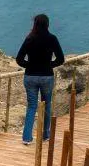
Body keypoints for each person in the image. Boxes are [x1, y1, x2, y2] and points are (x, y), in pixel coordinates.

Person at [15, 14, 65, 144]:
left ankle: (26, 138)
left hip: (30, 76)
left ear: (35, 24)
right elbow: (61, 59)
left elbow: (19, 59)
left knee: (31, 106)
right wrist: (49, 65)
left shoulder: (29, 39)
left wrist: (30, 66)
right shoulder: (52, 39)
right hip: (46, 77)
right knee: (47, 105)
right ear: (48, 24)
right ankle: (45, 135)